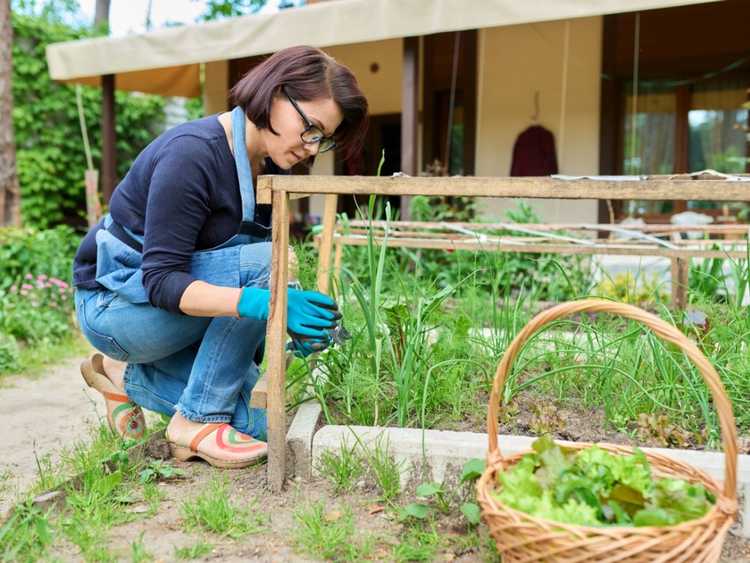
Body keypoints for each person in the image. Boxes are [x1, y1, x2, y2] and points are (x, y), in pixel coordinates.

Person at [73, 46, 368, 469]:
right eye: (311, 129)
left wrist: (286, 322)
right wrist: (268, 303)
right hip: (119, 308)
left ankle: (123, 378)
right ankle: (195, 422)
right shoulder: (192, 154)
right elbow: (162, 281)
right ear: (275, 94)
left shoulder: (269, 166)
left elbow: (236, 274)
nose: (311, 147)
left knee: (262, 423)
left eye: (322, 139)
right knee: (271, 260)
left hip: (174, 313)